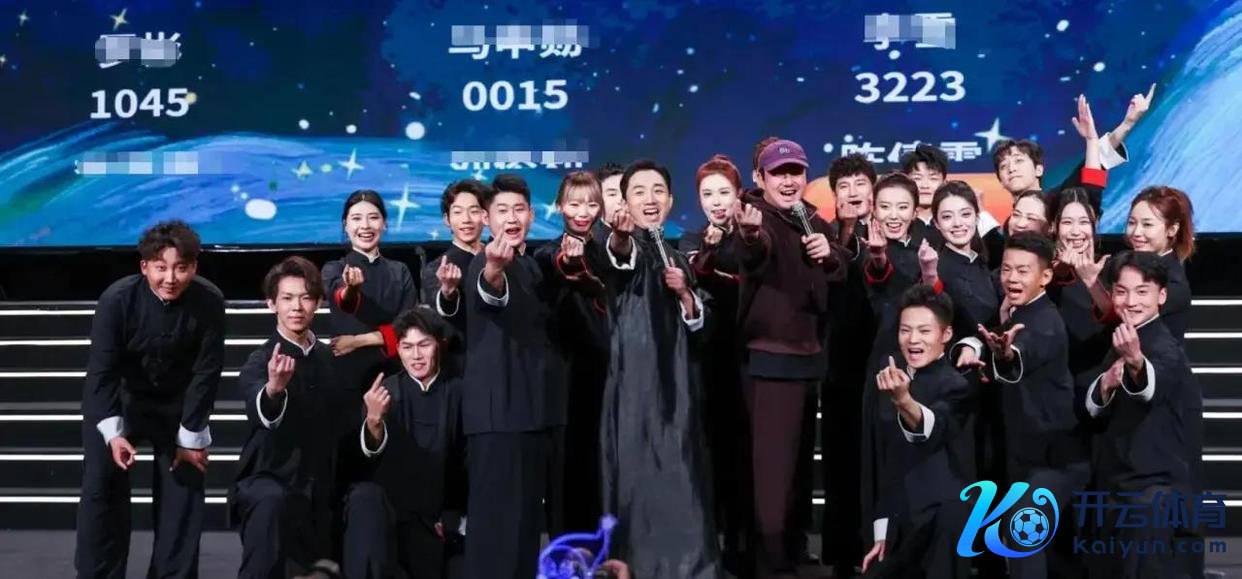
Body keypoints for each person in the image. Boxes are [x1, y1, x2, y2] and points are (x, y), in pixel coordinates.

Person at [76, 220, 225, 579]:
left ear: (194, 268)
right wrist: (113, 435)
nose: (170, 278)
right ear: (144, 267)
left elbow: (206, 374)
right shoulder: (116, 300)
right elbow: (101, 373)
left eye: (181, 268)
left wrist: (190, 438)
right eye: (161, 267)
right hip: (122, 400)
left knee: (186, 481)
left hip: (177, 404)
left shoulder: (209, 301)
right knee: (101, 483)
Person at [599, 159, 721, 579]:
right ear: (624, 202)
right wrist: (620, 237)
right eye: (639, 192)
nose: (649, 199)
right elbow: (619, 258)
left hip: (679, 386)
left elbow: (701, 323)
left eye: (657, 191)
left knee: (683, 473)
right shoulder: (619, 248)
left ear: (670, 201)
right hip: (633, 385)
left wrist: (686, 295)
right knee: (636, 477)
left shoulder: (677, 256)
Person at [736, 139, 848, 577]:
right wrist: (748, 235)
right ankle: (770, 563)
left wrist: (830, 255)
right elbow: (753, 249)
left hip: (808, 358)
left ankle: (791, 550)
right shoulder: (756, 217)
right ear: (760, 178)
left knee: (797, 472)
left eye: (795, 172)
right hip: (771, 360)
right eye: (778, 173)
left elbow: (840, 269)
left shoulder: (811, 220)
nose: (788, 181)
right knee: (772, 473)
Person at [956, 233, 1088, 578]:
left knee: (1019, 534)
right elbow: (995, 333)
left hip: (1055, 458)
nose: (1012, 278)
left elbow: (1019, 351)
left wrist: (1005, 355)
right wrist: (976, 345)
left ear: (1045, 276)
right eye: (1007, 269)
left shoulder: (1044, 321)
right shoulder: (1018, 312)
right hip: (1026, 455)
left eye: (1023, 271)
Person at [460, 173, 567, 579]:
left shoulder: (532, 266)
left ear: (532, 215)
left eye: (519, 209)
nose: (511, 218)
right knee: (496, 533)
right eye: (502, 210)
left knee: (523, 533)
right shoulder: (482, 262)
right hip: (498, 419)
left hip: (531, 416)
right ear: (486, 219)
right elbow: (489, 290)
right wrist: (493, 269)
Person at [231, 256, 355, 578]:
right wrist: (274, 389)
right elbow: (259, 409)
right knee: (270, 503)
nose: (297, 307)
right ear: (271, 304)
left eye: (305, 297)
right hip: (269, 478)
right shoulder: (260, 360)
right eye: (287, 298)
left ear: (318, 303)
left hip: (320, 483)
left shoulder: (330, 359)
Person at [1083, 251, 1203, 579]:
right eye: (1121, 291)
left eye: (1142, 291)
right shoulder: (1122, 336)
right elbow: (1097, 401)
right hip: (1117, 483)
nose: (1131, 301)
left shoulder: (1164, 345)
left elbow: (1151, 386)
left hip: (1152, 491)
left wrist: (1136, 363)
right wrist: (1105, 385)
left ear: (1161, 296)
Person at [860, 285, 975, 579]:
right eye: (905, 330)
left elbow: (932, 429)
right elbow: (889, 459)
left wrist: (903, 400)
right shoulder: (891, 377)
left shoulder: (956, 384)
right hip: (902, 520)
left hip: (945, 519)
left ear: (946, 334)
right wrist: (882, 532)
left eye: (924, 331)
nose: (913, 340)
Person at [343, 308, 467, 579]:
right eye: (407, 347)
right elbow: (366, 461)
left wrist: (452, 517)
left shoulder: (459, 393)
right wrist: (373, 422)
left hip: (437, 520)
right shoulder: (383, 392)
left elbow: (467, 463)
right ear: (398, 349)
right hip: (391, 516)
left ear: (439, 345)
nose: (416, 355)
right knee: (365, 499)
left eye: (424, 345)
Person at [679, 154, 749, 572]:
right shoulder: (690, 239)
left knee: (745, 454)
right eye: (708, 194)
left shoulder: (753, 239)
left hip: (750, 354)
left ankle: (744, 544)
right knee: (711, 453)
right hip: (706, 359)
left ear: (739, 194)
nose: (717, 202)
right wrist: (706, 249)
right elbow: (693, 279)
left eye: (724, 192)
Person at [532, 171, 611, 536]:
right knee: (567, 469)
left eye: (591, 204)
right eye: (574, 203)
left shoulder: (610, 252)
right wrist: (571, 262)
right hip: (563, 375)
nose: (583, 212)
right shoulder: (545, 254)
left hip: (607, 372)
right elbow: (559, 266)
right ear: (560, 206)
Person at [822, 152, 880, 576]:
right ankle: (842, 553)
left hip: (885, 358)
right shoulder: (824, 236)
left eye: (861, 183)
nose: (854, 192)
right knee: (841, 460)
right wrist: (842, 232)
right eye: (844, 186)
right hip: (840, 364)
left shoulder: (891, 230)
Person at [322, 190, 417, 394]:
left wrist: (358, 341)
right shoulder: (334, 269)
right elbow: (345, 302)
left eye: (373, 217)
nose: (365, 225)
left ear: (384, 224)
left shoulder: (400, 271)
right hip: (346, 376)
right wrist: (352, 288)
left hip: (393, 374)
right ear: (345, 225)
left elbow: (408, 328)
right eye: (356, 218)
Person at [1076, 186, 1195, 345]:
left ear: (1172, 229)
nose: (1136, 232)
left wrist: (1092, 283)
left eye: (1147, 225)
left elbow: (1125, 319)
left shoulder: (1173, 282)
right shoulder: (1124, 263)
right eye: (1132, 223)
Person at [421, 179, 488, 340]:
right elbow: (440, 318)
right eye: (458, 212)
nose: (466, 219)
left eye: (474, 211)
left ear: (486, 216)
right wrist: (448, 292)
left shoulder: (499, 258)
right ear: (447, 219)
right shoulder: (437, 268)